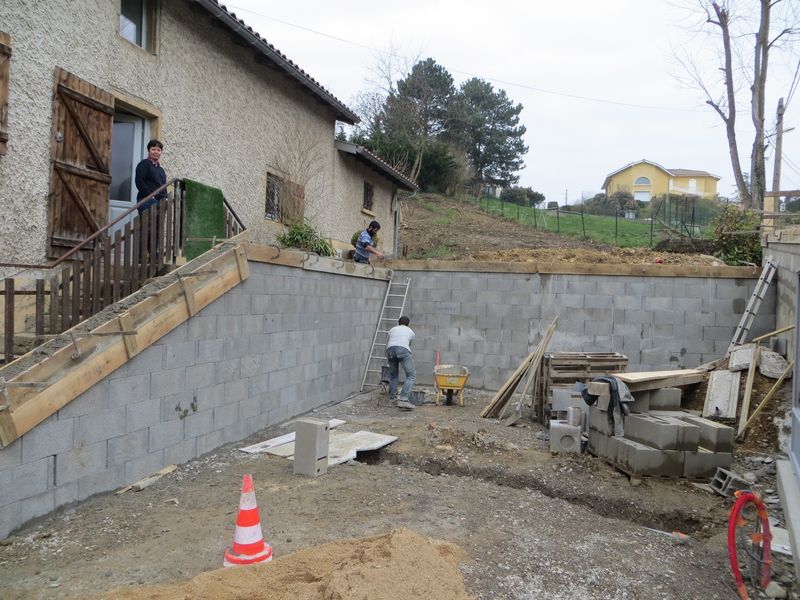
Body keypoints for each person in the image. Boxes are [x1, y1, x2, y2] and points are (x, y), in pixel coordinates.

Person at [386, 316, 416, 410]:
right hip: (403, 350)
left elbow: (390, 341)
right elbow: (408, 344)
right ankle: (403, 400)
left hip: (390, 350)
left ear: (398, 323)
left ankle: (393, 400)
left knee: (393, 375)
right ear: (408, 324)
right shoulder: (411, 332)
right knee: (411, 375)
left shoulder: (392, 329)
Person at [134, 139, 167, 216]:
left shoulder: (161, 170)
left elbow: (163, 186)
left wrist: (166, 198)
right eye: (153, 149)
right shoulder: (144, 164)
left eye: (158, 150)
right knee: (148, 227)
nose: (156, 152)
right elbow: (139, 182)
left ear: (160, 152)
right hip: (146, 201)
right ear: (149, 150)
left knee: (158, 227)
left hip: (160, 202)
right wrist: (151, 196)